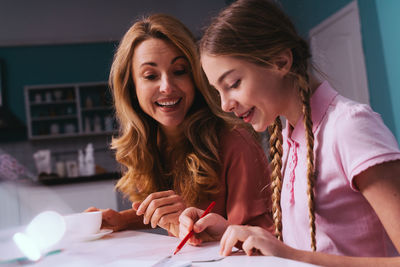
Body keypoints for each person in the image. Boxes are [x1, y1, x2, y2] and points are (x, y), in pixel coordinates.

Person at [178, 0, 400, 265]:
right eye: (218, 91)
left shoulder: (350, 127)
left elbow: (296, 255)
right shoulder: (290, 136)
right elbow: (307, 245)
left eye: (233, 84)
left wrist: (288, 255)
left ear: (281, 62)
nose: (225, 104)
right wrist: (230, 231)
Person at [86, 13, 273, 238]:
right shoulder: (147, 144)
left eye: (179, 71)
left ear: (196, 77)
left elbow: (262, 238)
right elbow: (168, 215)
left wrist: (193, 227)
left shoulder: (235, 142)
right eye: (150, 75)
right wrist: (123, 220)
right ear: (131, 88)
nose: (167, 86)